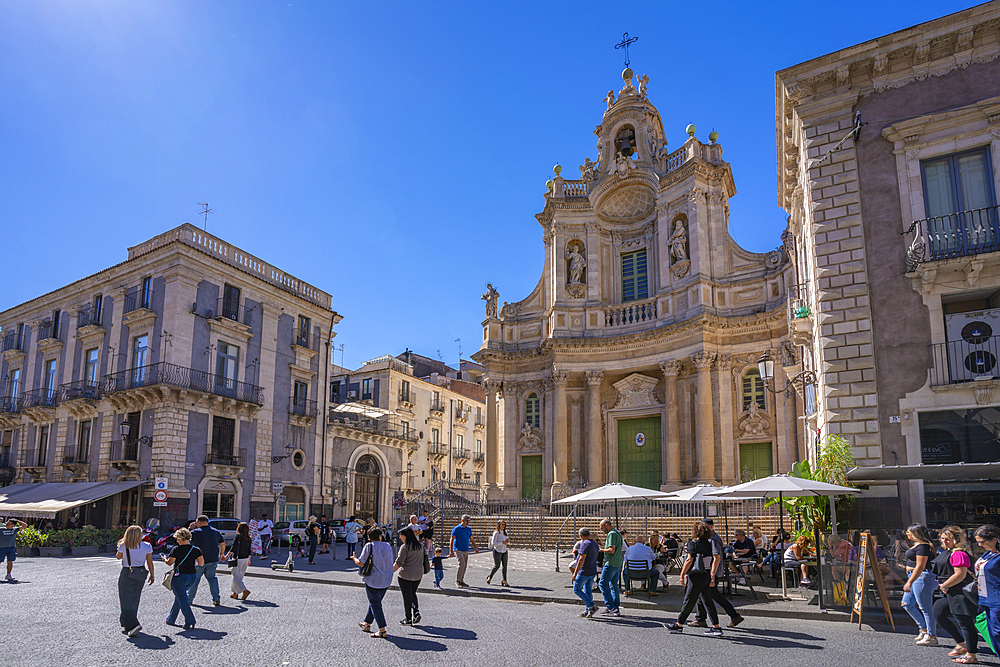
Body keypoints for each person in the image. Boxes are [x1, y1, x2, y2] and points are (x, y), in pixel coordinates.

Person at [932, 525, 979, 664]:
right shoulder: (949, 551)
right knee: (938, 612)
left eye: (948, 539)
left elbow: (960, 574)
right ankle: (961, 644)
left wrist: (945, 585)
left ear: (956, 540)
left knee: (965, 623)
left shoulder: (958, 553)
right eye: (942, 539)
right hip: (950, 592)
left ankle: (971, 654)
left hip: (960, 592)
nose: (944, 542)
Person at [667, 521, 723, 637]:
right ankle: (716, 626)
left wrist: (682, 574)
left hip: (695, 575)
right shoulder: (709, 544)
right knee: (707, 601)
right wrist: (712, 575)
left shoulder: (693, 544)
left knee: (689, 600)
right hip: (706, 574)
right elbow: (716, 558)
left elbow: (689, 560)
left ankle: (679, 624)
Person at [693, 518, 744, 629]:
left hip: (711, 571)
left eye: (704, 527)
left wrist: (712, 573)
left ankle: (734, 615)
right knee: (703, 594)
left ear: (710, 527)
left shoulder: (713, 539)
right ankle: (700, 618)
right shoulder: (710, 538)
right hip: (709, 571)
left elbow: (716, 557)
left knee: (712, 594)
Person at [901, 524, 939, 647]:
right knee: (906, 603)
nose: (906, 534)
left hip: (921, 577)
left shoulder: (923, 546)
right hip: (914, 576)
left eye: (908, 532)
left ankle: (931, 636)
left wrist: (910, 581)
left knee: (925, 608)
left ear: (915, 533)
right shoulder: (918, 545)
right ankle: (923, 629)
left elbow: (920, 566)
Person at [353, 527, 394, 639]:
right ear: (380, 536)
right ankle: (367, 624)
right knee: (375, 602)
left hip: (373, 579)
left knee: (375, 604)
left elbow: (361, 563)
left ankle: (382, 630)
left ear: (369, 537)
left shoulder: (369, 546)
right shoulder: (388, 546)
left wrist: (354, 558)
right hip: (387, 578)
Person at [162, 528, 205, 631]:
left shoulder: (176, 549)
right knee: (180, 597)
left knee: (182, 599)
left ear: (181, 538)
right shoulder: (196, 549)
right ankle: (171, 619)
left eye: (177, 538)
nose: (176, 540)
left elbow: (169, 562)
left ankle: (190, 620)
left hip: (179, 577)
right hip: (192, 576)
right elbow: (201, 563)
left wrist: (164, 559)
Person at [116, 525, 155, 638]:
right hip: (140, 571)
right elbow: (150, 562)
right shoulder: (147, 546)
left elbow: (118, 557)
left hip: (127, 571)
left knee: (125, 598)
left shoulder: (124, 545)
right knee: (134, 598)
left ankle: (132, 624)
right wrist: (152, 575)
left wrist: (121, 545)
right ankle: (125, 621)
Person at [974, 525, 1000, 656]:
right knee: (992, 634)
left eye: (982, 541)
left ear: (995, 539)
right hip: (985, 598)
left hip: (997, 599)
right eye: (977, 541)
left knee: (997, 632)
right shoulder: (988, 554)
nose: (979, 544)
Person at [188, 515, 225, 606]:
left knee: (195, 580)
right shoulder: (216, 532)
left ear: (199, 522)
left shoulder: (194, 532)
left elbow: (184, 539)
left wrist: (189, 528)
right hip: (212, 559)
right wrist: (221, 553)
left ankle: (189, 599)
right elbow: (222, 543)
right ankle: (216, 599)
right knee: (212, 579)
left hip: (198, 560)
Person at [394, 527, 424, 626]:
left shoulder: (405, 547)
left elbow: (399, 562)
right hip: (418, 574)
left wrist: (389, 572)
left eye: (401, 535)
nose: (399, 537)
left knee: (407, 597)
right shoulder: (420, 545)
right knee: (412, 593)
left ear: (405, 536)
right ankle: (416, 612)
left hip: (405, 574)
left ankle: (408, 618)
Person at [597, 519, 624, 616]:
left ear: (607, 525)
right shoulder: (617, 533)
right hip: (618, 563)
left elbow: (611, 550)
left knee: (602, 584)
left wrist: (600, 549)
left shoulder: (611, 534)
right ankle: (615, 607)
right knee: (613, 585)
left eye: (602, 528)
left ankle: (610, 607)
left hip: (611, 563)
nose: (601, 530)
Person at [572, 528, 600, 618]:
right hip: (592, 570)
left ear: (580, 536)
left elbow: (581, 559)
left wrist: (575, 573)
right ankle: (588, 610)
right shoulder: (595, 543)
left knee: (577, 589)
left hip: (584, 571)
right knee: (588, 590)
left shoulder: (585, 544)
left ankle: (591, 605)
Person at [449, 514, 478, 587]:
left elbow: (471, 539)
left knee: (464, 566)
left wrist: (475, 548)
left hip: (466, 549)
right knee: (461, 564)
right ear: (462, 520)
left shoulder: (468, 529)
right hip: (458, 549)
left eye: (469, 521)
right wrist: (451, 550)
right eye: (467, 520)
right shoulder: (456, 528)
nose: (468, 522)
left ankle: (461, 580)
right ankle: (458, 581)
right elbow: (451, 539)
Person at [225, 522, 252, 601]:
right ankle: (235, 593)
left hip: (238, 558)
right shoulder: (248, 538)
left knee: (236, 576)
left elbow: (234, 547)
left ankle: (245, 591)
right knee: (239, 577)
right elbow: (249, 550)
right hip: (245, 558)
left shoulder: (238, 536)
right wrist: (249, 560)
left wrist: (227, 556)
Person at [0, 517, 27, 582]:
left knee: (10, 561)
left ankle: (8, 574)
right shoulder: (1, 529)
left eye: (9, 523)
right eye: (7, 523)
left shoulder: (15, 529)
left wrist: (17, 520)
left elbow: (25, 525)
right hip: (1, 548)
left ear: (13, 525)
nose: (7, 524)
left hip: (11, 548)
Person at [486, 520, 509, 586]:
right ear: (499, 525)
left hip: (504, 550)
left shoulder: (505, 532)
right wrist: (502, 543)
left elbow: (506, 541)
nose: (504, 526)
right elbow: (494, 543)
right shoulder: (496, 533)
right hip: (497, 551)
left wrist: (507, 541)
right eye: (502, 524)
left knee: (505, 566)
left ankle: (504, 580)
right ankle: (490, 576)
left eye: (504, 524)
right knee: (497, 565)